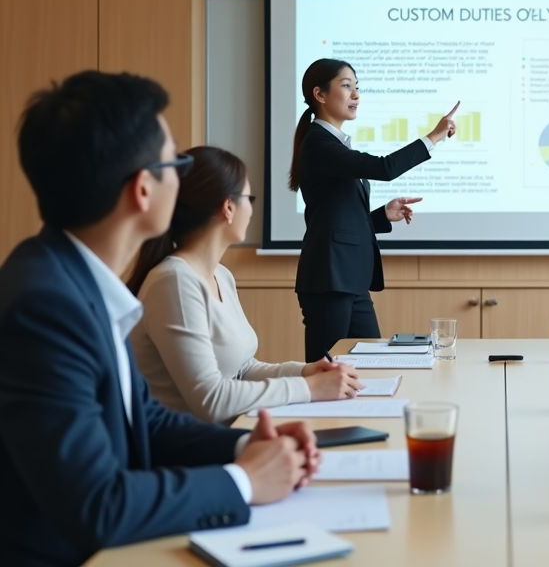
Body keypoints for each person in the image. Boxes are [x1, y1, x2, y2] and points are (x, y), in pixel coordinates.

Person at [0, 72, 320, 567]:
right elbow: (96, 505)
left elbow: (144, 422)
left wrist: (247, 447)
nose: (184, 177)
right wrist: (245, 481)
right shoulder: (44, 306)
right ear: (143, 190)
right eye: (178, 162)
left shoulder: (72, 280)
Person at [127, 146, 364, 425]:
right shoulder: (174, 282)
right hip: (186, 454)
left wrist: (304, 372)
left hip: (225, 438)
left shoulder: (221, 275)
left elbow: (241, 369)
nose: (251, 209)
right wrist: (309, 389)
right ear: (228, 207)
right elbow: (210, 400)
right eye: (248, 198)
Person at [291, 58, 458, 361]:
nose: (356, 95)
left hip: (350, 281)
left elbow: (338, 219)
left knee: (369, 365)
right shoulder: (319, 142)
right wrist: (433, 137)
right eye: (346, 86)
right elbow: (385, 167)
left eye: (357, 88)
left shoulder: (335, 144)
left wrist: (382, 215)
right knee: (327, 372)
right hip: (329, 279)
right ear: (320, 94)